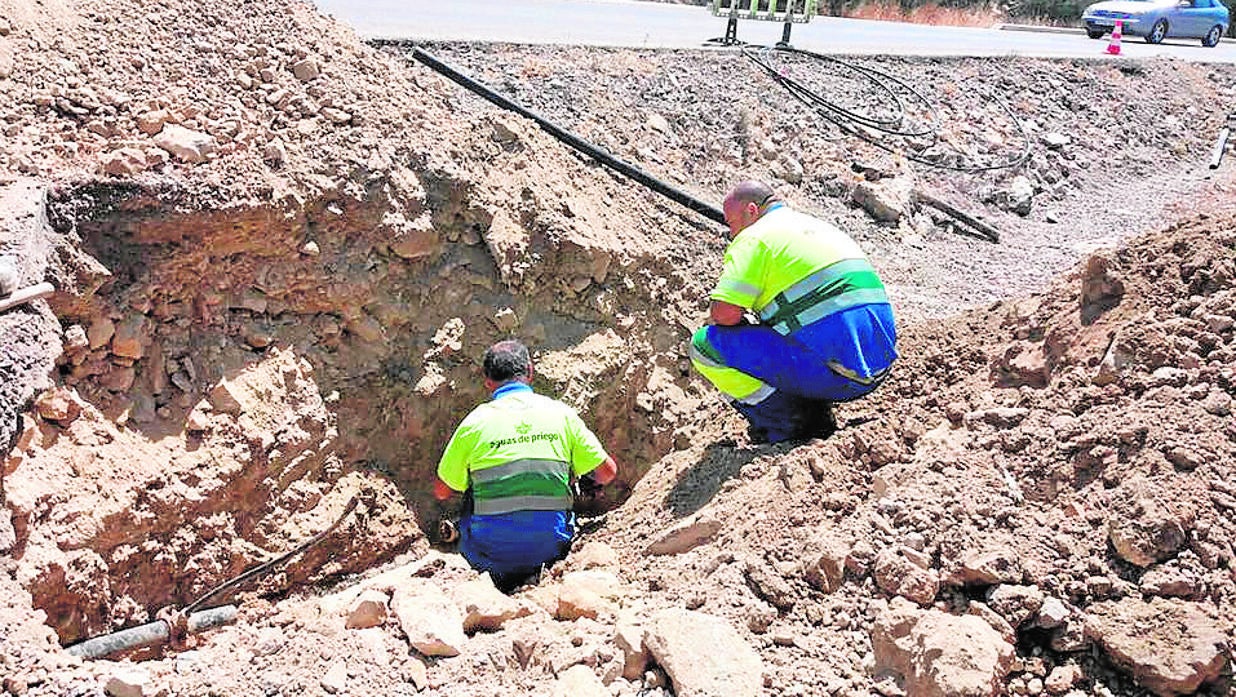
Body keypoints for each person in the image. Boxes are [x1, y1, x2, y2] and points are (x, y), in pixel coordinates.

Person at [690, 180, 898, 443]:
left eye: (731, 223)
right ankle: (810, 405)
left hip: (838, 375)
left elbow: (724, 314)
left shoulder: (754, 238)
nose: (731, 234)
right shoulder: (817, 227)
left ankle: (792, 423)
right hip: (878, 367)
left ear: (751, 211)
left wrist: (735, 321)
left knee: (705, 347)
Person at [434, 339, 619, 592]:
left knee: (472, 489)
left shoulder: (474, 423)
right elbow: (608, 472)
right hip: (551, 548)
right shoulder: (561, 414)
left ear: (487, 381)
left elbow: (443, 491)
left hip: (490, 556)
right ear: (530, 371)